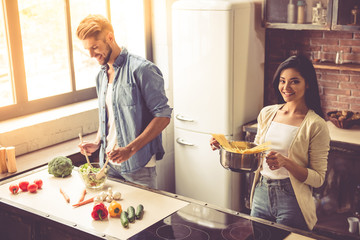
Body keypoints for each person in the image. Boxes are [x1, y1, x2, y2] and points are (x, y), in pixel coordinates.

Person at [210, 55, 330, 231]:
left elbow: (318, 179)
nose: (286, 87)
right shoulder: (267, 113)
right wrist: (226, 146)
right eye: (282, 81)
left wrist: (286, 162)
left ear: (308, 83)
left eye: (294, 81)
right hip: (261, 192)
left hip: (292, 199)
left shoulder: (316, 125)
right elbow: (256, 151)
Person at [77, 14, 172, 189]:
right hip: (108, 166)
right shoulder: (101, 76)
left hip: (139, 166)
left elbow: (163, 116)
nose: (91, 55)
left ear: (110, 38)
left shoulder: (143, 69)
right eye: (87, 49)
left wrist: (130, 149)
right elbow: (108, 115)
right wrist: (97, 142)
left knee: (146, 215)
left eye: (95, 47)